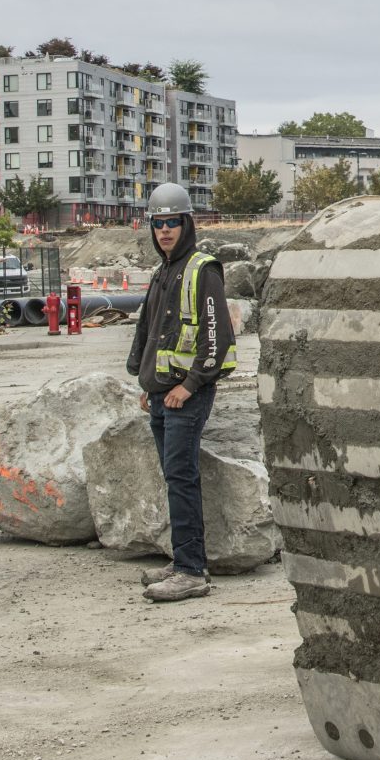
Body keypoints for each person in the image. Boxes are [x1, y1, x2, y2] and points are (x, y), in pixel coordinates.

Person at [124, 182, 236, 603]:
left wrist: (188, 386)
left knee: (182, 477)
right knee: (174, 478)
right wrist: (147, 382)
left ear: (186, 223)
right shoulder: (163, 271)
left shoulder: (203, 269)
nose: (165, 230)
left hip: (187, 395)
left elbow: (216, 336)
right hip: (162, 393)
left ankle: (191, 569)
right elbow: (151, 331)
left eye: (172, 222)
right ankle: (184, 558)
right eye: (158, 223)